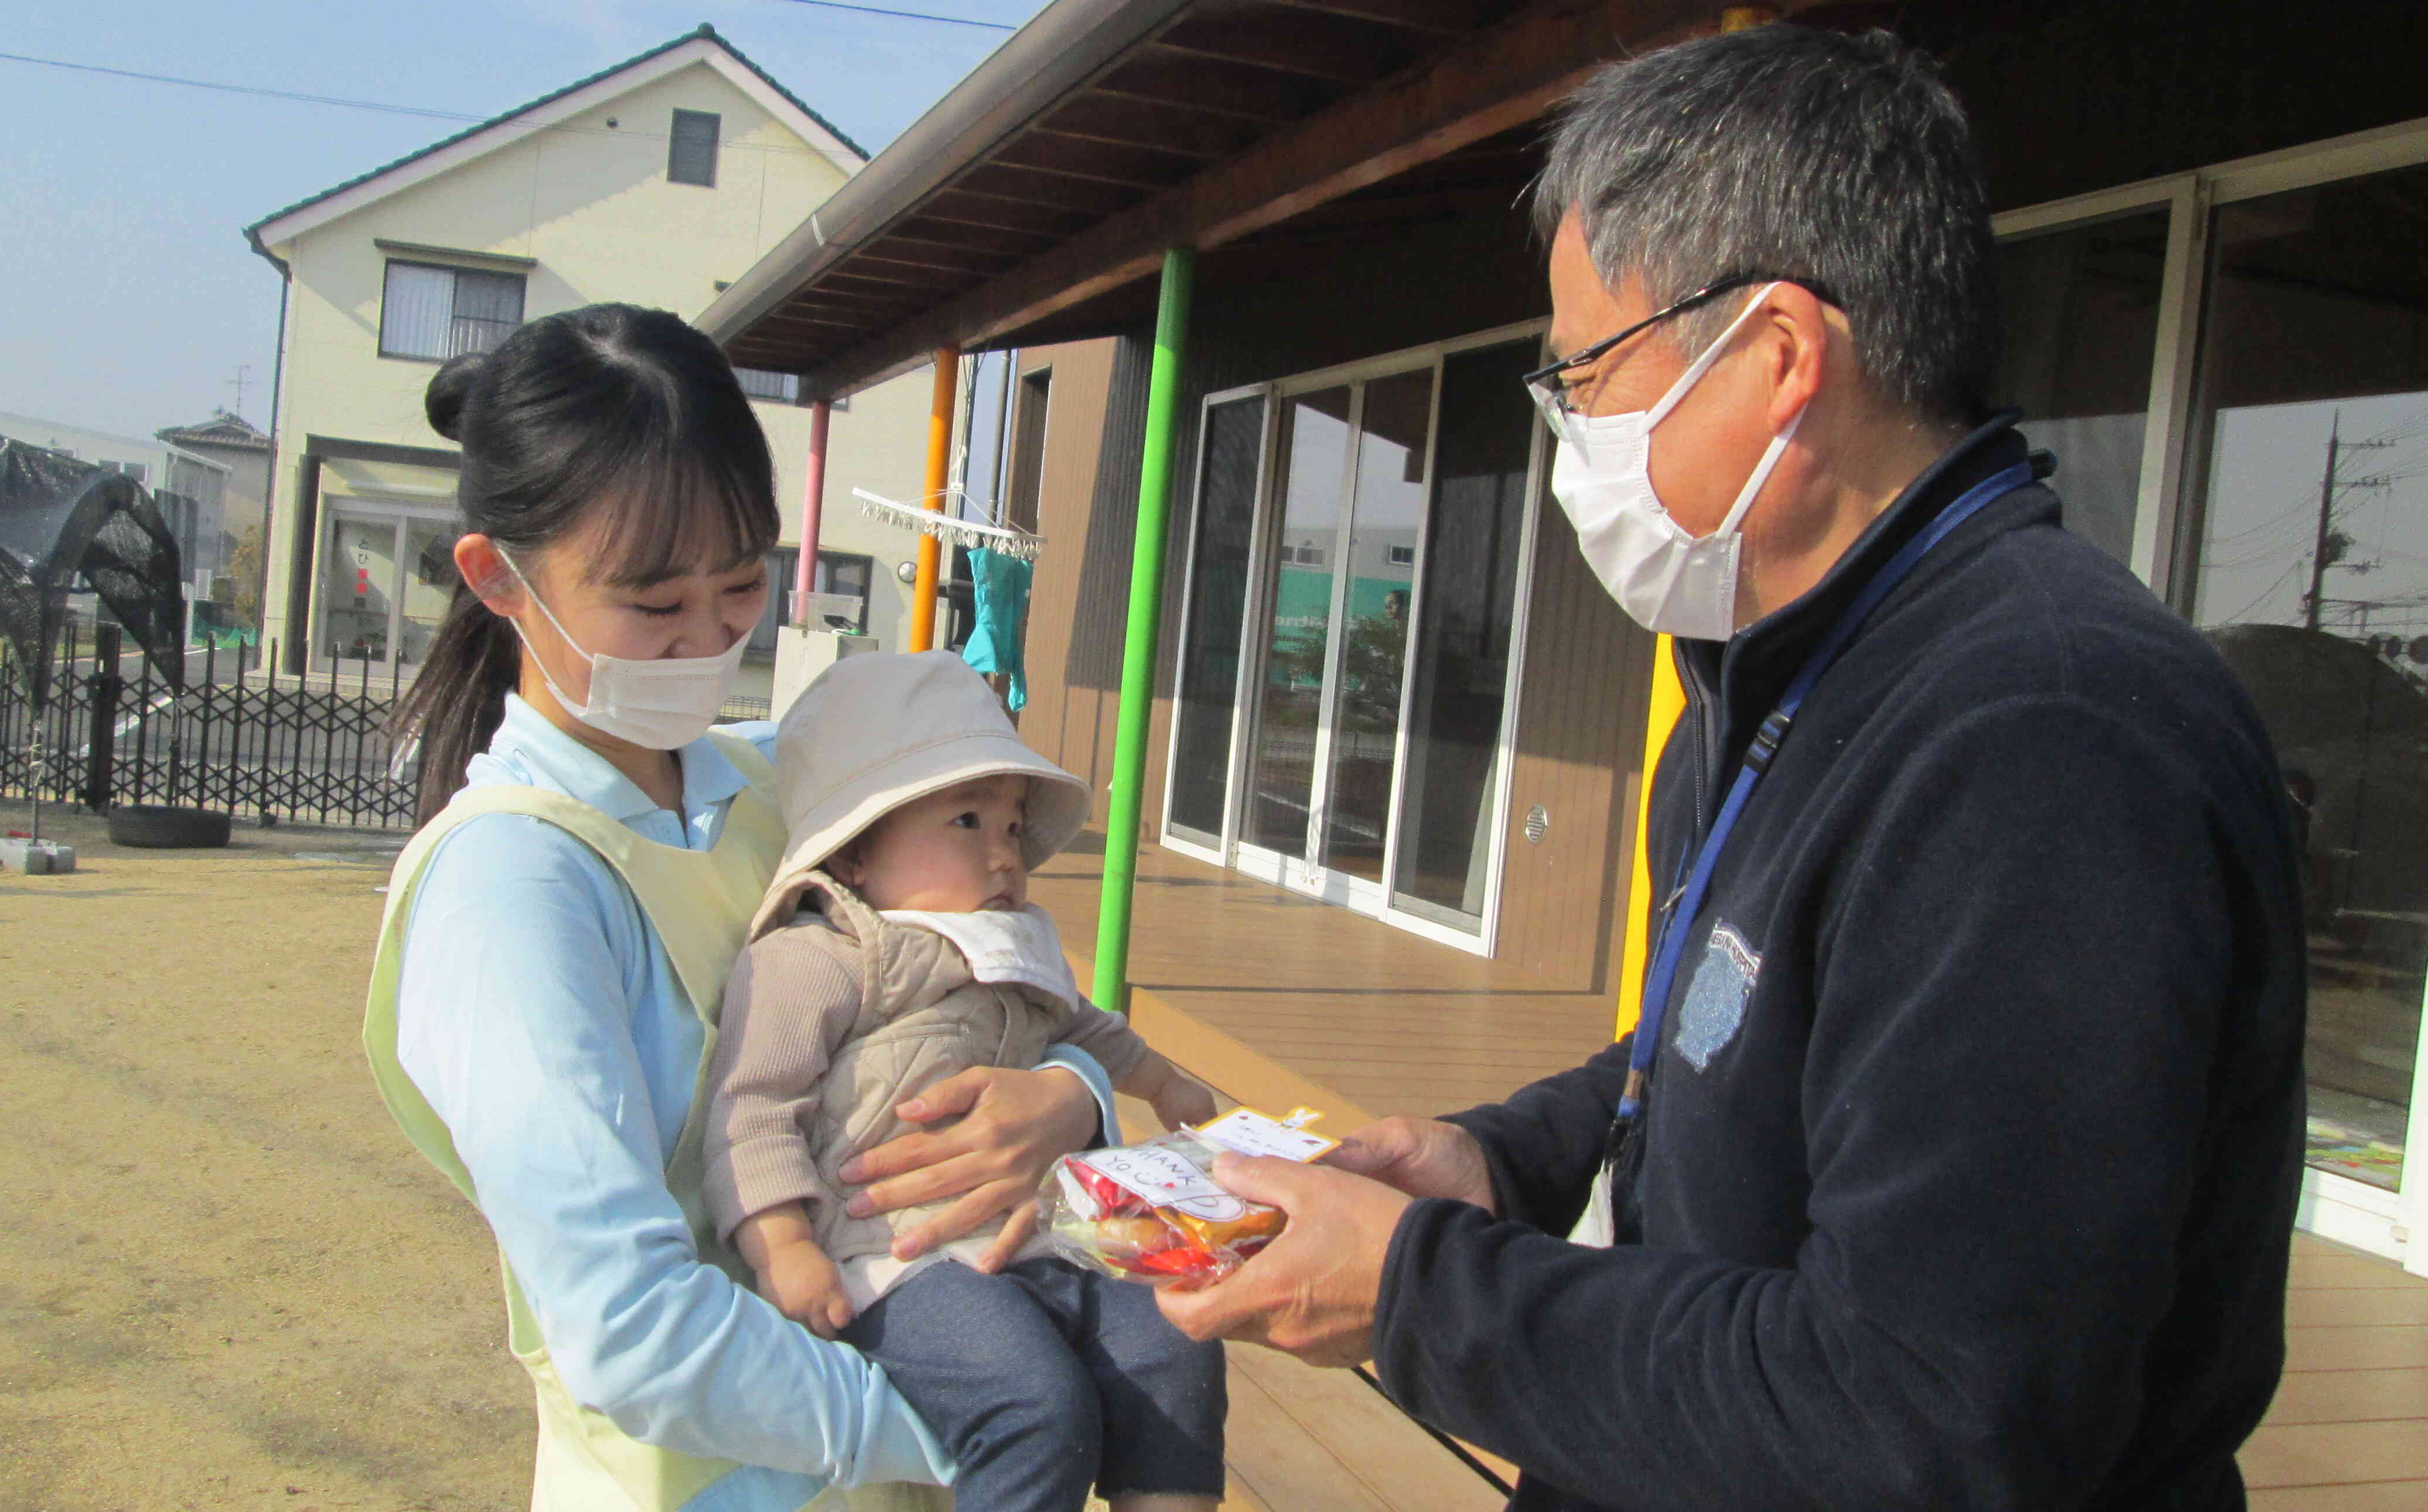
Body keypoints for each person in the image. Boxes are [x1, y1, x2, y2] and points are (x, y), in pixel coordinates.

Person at [1157, 27, 2305, 1511]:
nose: (1569, 432)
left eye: (1588, 370)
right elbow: (1727, 1036)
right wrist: (1502, 1165)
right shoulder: (1776, 668)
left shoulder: (2047, 738)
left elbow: (1933, 1416)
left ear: (1774, 360)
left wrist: (1419, 1292)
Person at [358, 304, 1120, 1511]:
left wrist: (1073, 1100)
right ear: (498, 578)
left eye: (740, 583)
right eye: (654, 606)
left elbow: (1008, 987)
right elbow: (631, 1325)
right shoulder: (510, 892)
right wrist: (996, 1428)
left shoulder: (794, 789)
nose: (710, 634)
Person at [704, 649, 1226, 1512]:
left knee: (1179, 1337)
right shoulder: (819, 960)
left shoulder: (1019, 943)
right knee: (1034, 1400)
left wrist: (1162, 1080)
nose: (1002, 858)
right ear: (857, 854)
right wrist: (783, 1246)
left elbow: (1082, 1024)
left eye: (1013, 828)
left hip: (1046, 1232)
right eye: (965, 823)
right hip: (898, 1261)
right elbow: (752, 1110)